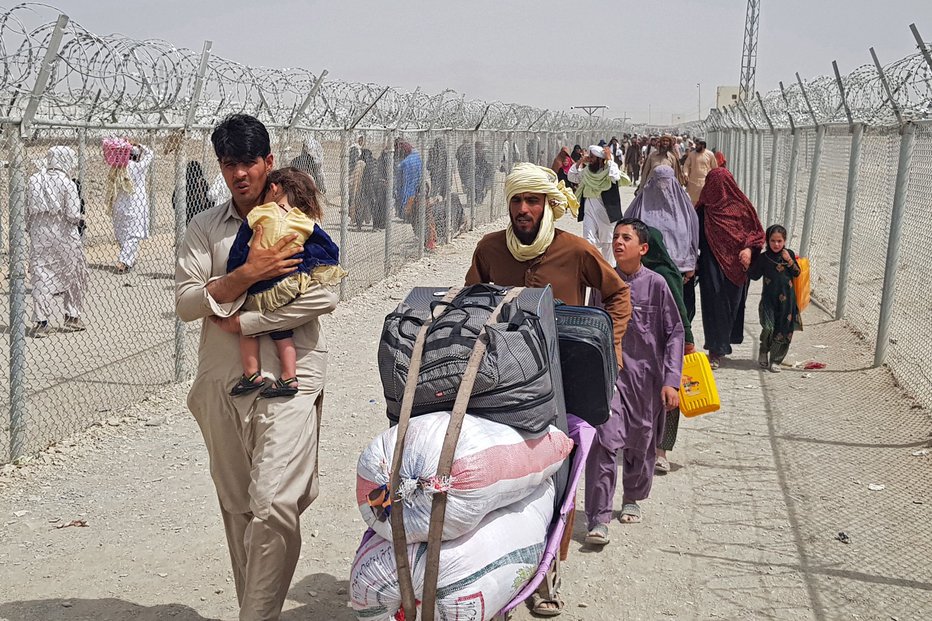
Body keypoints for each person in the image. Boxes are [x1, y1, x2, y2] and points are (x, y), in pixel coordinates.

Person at [175, 114, 340, 621]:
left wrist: (244, 319)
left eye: (248, 162)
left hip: (290, 381)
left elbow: (325, 293)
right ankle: (258, 610)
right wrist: (247, 273)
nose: (239, 174)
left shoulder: (295, 215)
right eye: (229, 164)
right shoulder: (205, 228)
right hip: (225, 383)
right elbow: (185, 302)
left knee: (272, 503)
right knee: (240, 507)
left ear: (268, 162)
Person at [465, 161, 631, 616]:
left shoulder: (575, 250)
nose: (523, 209)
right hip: (496, 385)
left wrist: (610, 347)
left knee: (557, 482)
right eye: (517, 200)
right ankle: (498, 582)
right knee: (500, 481)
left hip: (558, 384)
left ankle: (544, 579)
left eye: (531, 200)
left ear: (547, 205)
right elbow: (468, 305)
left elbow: (617, 294)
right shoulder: (489, 249)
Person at [584, 218, 684, 544]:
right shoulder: (603, 284)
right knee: (604, 441)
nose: (618, 242)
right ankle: (598, 517)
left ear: (643, 248)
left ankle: (632, 497)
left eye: (626, 238)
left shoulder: (656, 285)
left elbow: (674, 333)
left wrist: (671, 380)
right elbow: (590, 329)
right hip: (610, 377)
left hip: (647, 381)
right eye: (615, 237)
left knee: (641, 442)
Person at [226, 167, 346, 399]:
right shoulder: (303, 220)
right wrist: (307, 266)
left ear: (273, 188)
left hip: (262, 288)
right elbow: (329, 248)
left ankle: (251, 373)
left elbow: (239, 249)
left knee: (247, 329)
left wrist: (238, 271)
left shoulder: (260, 213)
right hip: (291, 285)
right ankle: (289, 377)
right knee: (283, 330)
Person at [696, 167, 765, 369]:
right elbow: (693, 236)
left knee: (732, 304)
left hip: (736, 266)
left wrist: (750, 250)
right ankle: (715, 349)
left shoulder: (743, 207)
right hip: (711, 264)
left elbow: (757, 233)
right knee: (714, 304)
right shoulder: (703, 209)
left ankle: (725, 342)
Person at [641, 226, 696, 473]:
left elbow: (680, 312)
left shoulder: (664, 274)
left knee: (669, 398)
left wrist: (688, 341)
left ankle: (661, 451)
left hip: (666, 346)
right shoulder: (631, 273)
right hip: (642, 347)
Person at [26, 146, 88, 338]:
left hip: (39, 233)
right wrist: (81, 219)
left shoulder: (34, 179)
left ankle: (41, 321)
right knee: (75, 271)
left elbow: (26, 210)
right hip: (64, 234)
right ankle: (72, 316)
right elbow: (72, 214)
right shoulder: (67, 183)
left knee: (41, 274)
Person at [624, 164, 700, 321]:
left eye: (667, 181)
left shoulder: (685, 208)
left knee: (677, 315)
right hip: (645, 270)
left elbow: (693, 236)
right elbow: (626, 233)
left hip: (679, 272)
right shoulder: (639, 206)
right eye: (659, 181)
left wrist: (691, 266)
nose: (662, 186)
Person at [748, 224, 802, 373]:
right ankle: (764, 351)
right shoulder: (764, 258)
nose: (776, 244)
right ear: (767, 241)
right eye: (772, 241)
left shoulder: (788, 254)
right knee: (769, 327)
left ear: (784, 241)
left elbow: (797, 273)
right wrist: (747, 263)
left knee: (783, 330)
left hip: (787, 302)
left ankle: (776, 360)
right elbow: (754, 275)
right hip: (768, 301)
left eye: (779, 241)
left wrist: (789, 261)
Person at [568, 145, 623, 266]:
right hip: (589, 211)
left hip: (607, 213)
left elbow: (615, 177)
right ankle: (592, 268)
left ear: (600, 159)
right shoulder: (587, 172)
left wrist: (609, 160)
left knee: (608, 244)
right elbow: (572, 176)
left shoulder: (609, 170)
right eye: (589, 156)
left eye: (592, 157)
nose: (590, 158)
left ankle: (609, 271)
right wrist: (581, 161)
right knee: (588, 240)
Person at [109, 141, 153, 272]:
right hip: (135, 204)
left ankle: (128, 259)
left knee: (122, 232)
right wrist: (140, 145)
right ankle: (124, 261)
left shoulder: (118, 167)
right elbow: (151, 154)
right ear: (137, 156)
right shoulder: (139, 167)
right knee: (133, 234)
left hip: (120, 204)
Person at [683, 138, 718, 205]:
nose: (696, 146)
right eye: (696, 144)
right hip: (693, 183)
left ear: (703, 145)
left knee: (704, 201)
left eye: (698, 145)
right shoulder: (692, 154)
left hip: (705, 182)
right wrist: (686, 174)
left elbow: (715, 168)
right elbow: (686, 165)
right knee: (693, 202)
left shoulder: (710, 154)